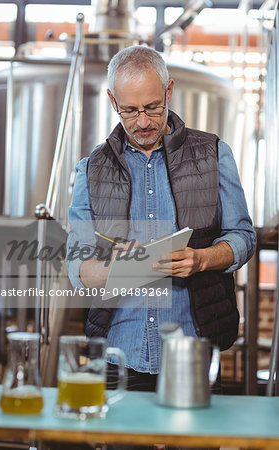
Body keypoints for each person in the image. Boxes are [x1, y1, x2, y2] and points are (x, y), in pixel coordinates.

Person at [67, 46, 256, 396]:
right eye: (130, 110)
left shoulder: (214, 153)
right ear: (112, 100)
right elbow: (77, 265)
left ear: (169, 91)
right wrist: (115, 269)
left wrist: (202, 259)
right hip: (119, 352)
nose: (142, 122)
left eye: (153, 107)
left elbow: (244, 236)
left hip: (193, 350)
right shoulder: (90, 168)